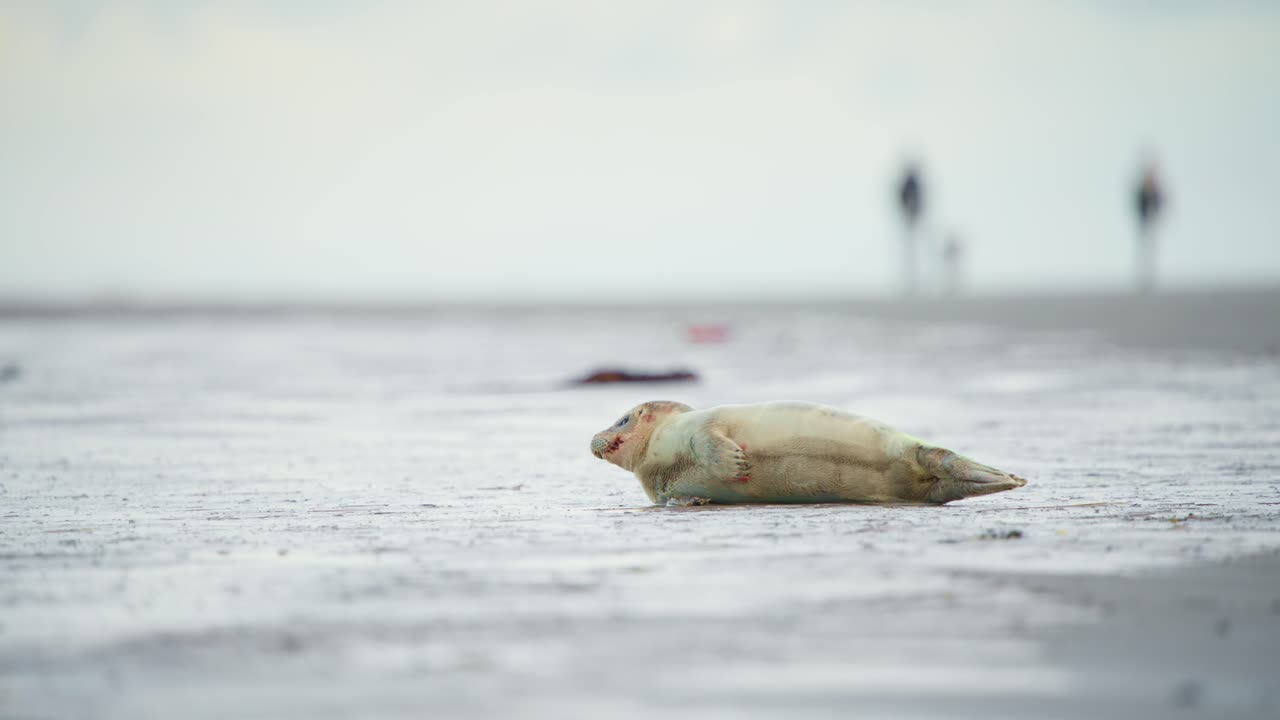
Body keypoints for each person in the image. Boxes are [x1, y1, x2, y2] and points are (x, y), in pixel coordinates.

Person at [1134, 162, 1165, 292]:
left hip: (1151, 223)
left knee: (1151, 249)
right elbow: (1138, 205)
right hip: (1144, 222)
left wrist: (1156, 215)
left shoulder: (1155, 190)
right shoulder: (1142, 190)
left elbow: (1160, 203)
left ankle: (1149, 277)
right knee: (1144, 250)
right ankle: (1143, 277)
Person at [897, 164, 925, 295]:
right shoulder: (910, 183)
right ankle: (911, 280)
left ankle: (915, 279)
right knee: (910, 249)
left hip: (913, 216)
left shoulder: (913, 183)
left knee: (913, 248)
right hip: (910, 216)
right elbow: (902, 197)